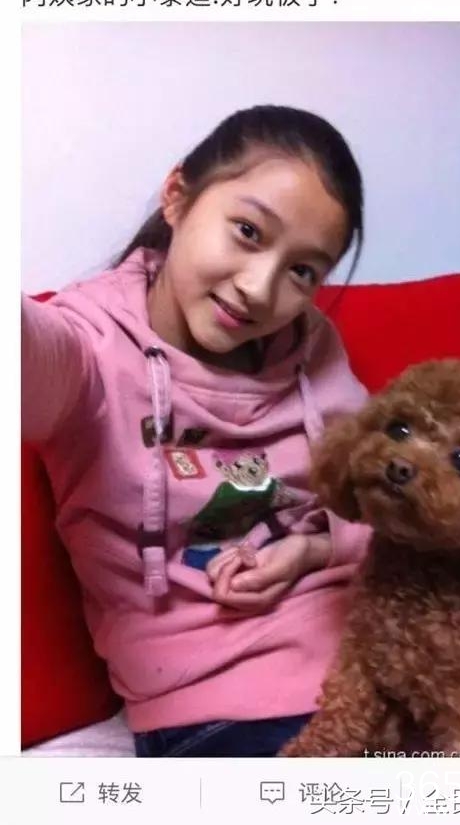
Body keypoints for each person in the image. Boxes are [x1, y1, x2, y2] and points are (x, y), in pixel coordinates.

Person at [21, 105, 373, 758]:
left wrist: (314, 549)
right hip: (218, 712)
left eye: (302, 271)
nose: (259, 288)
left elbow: (393, 500)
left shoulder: (312, 346)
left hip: (374, 667)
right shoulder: (91, 348)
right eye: (248, 231)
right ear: (177, 195)